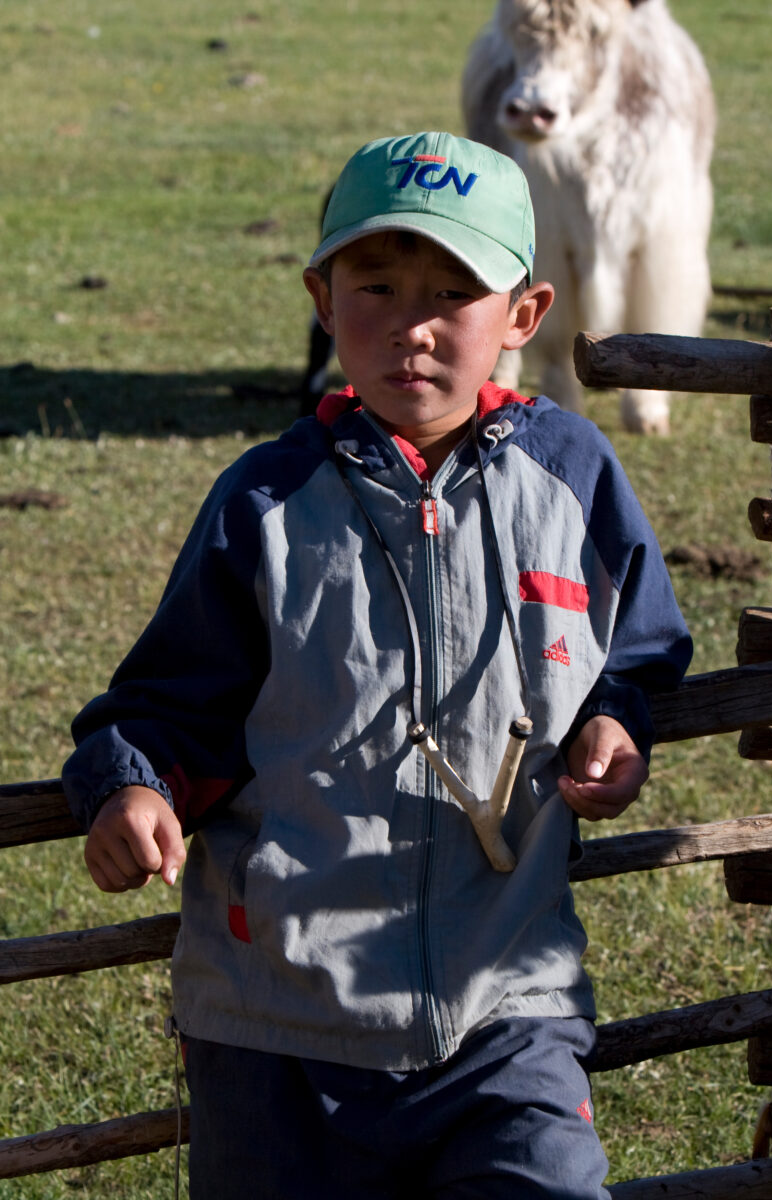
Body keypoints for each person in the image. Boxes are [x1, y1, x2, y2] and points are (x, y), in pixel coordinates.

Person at [62, 131, 691, 1198]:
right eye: (378, 284)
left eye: (456, 291)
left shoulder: (570, 474)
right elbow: (171, 705)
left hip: (506, 1006)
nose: (414, 323)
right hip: (278, 1024)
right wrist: (129, 787)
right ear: (322, 295)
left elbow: (638, 648)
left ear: (523, 316)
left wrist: (618, 720)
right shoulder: (264, 501)